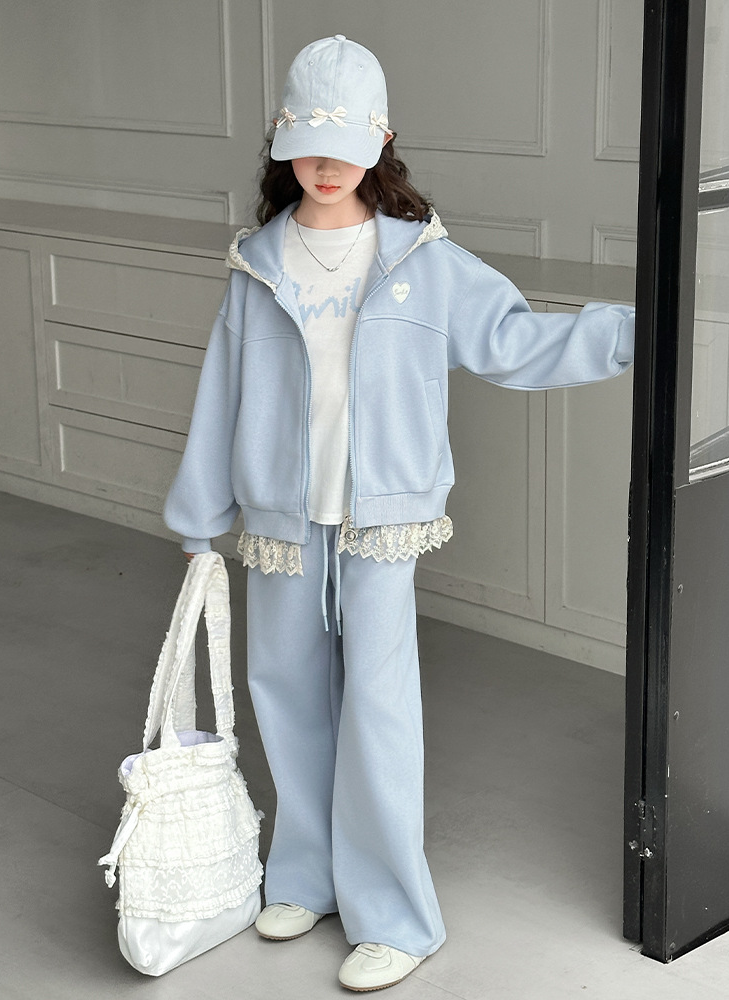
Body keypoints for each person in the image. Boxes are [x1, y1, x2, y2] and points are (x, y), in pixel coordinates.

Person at [164, 34, 635, 992]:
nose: (324, 164)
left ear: (381, 141)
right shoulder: (258, 262)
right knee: (286, 693)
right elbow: (223, 390)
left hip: (384, 516)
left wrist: (634, 333)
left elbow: (513, 340)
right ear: (282, 143)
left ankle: (394, 917)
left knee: (378, 709)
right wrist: (198, 509)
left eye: (343, 143)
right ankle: (305, 876)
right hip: (282, 517)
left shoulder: (422, 258)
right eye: (306, 144)